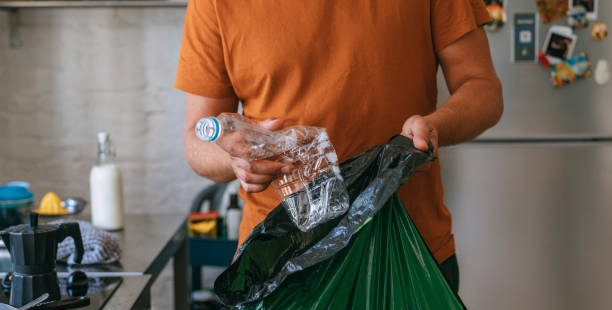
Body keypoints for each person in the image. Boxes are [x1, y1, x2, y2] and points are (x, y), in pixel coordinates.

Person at [175, 0, 503, 294]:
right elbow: (196, 138)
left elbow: (483, 89)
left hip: (408, 254)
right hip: (282, 268)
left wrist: (436, 127)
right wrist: (234, 159)